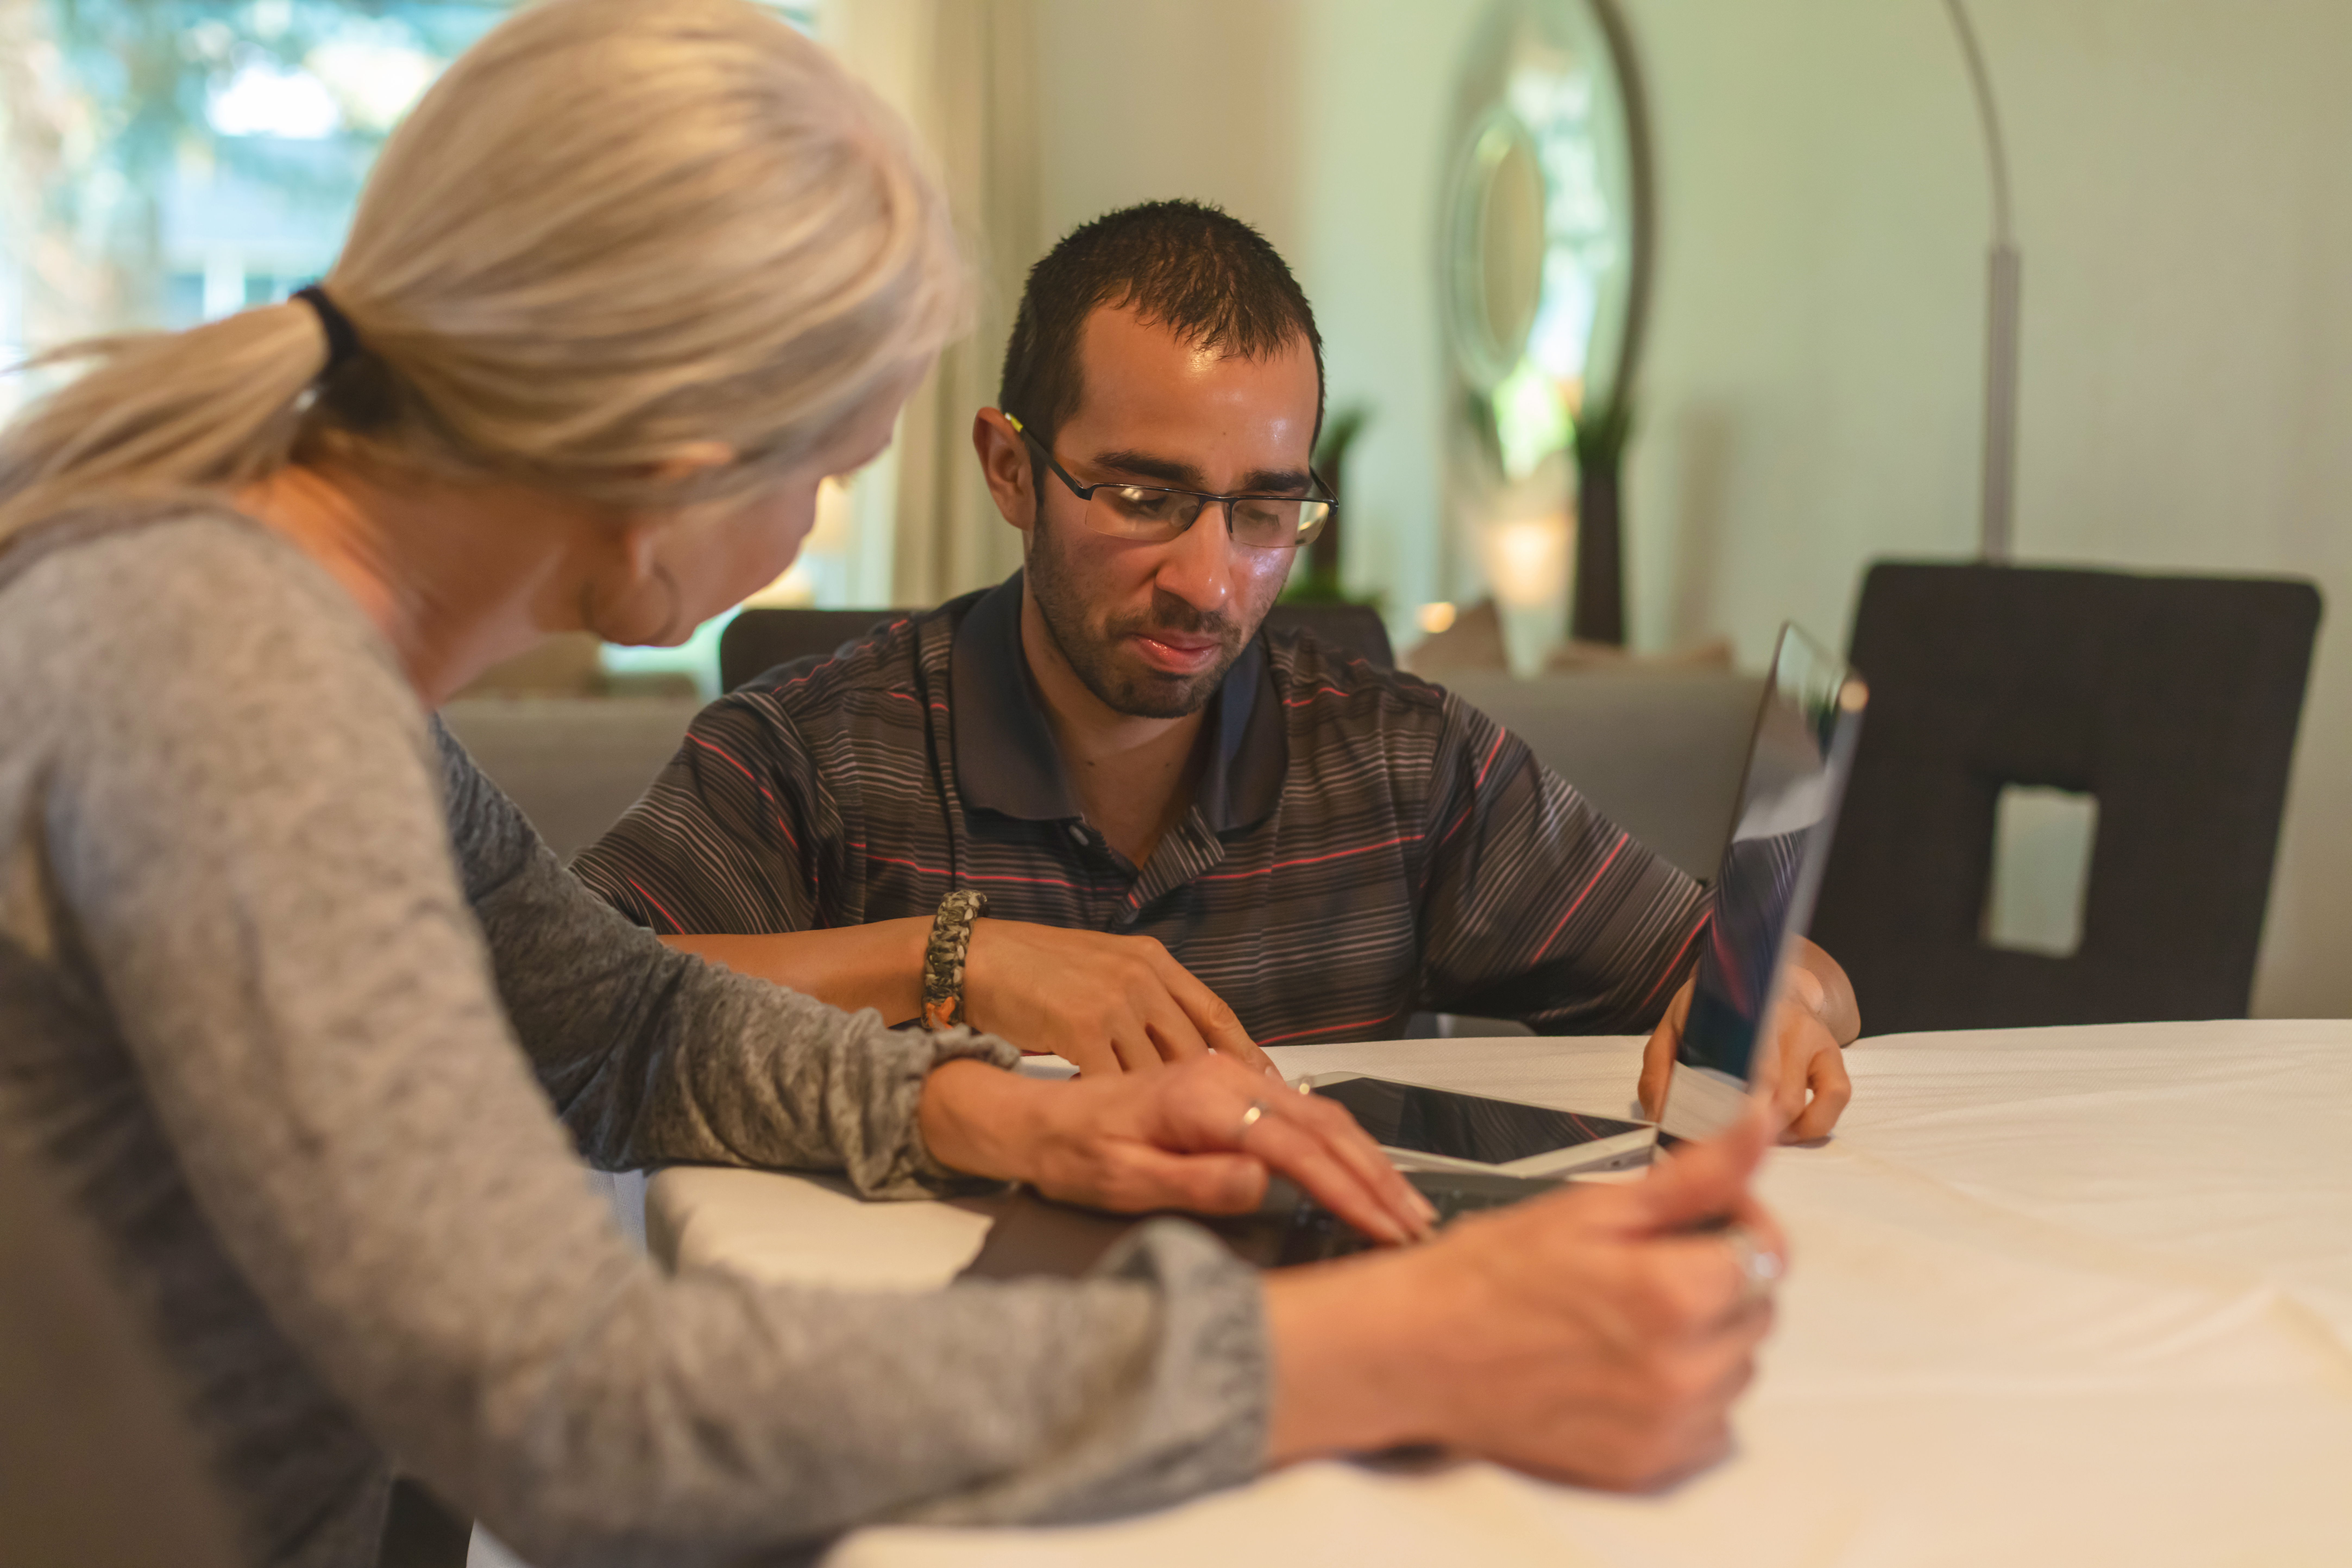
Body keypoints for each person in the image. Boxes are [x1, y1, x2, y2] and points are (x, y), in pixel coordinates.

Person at [0, 5, 1784, 1566]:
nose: (808, 535)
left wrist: (1000, 1114)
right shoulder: (233, 685)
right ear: (682, 457)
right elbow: (574, 1410)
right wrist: (1378, 1346)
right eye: (831, 468)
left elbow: (606, 1018)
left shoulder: (266, 636)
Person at [575, 200, 1859, 1136]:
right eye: (1143, 495)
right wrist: (955, 960)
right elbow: (550, 1007)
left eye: (1265, 511)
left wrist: (1769, 1007)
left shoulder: (1407, 762)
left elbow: (1771, 978)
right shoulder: (811, 751)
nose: (1209, 578)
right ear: (1010, 468)